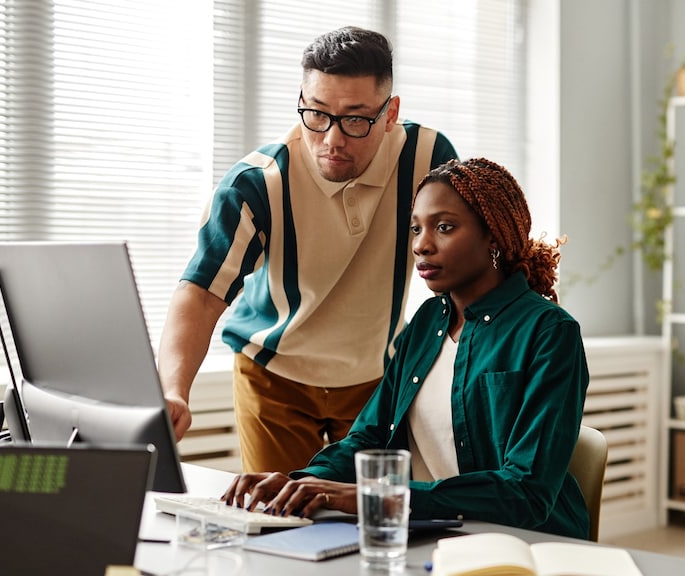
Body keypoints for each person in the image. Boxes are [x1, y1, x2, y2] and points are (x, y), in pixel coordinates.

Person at [223, 157, 591, 539]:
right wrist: (301, 482)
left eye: (444, 227)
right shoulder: (428, 321)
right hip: (430, 535)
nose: (421, 245)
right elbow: (370, 437)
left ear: (494, 237)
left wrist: (378, 498)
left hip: (525, 545)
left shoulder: (550, 332)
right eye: (416, 229)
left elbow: (526, 493)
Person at [158, 26, 459, 474]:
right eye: (316, 113)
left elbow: (464, 263)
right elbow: (200, 293)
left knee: (365, 519)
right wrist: (173, 389)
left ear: (390, 112)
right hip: (274, 378)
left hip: (375, 379)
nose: (332, 139)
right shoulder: (257, 183)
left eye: (356, 119)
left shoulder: (427, 156)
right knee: (279, 520)